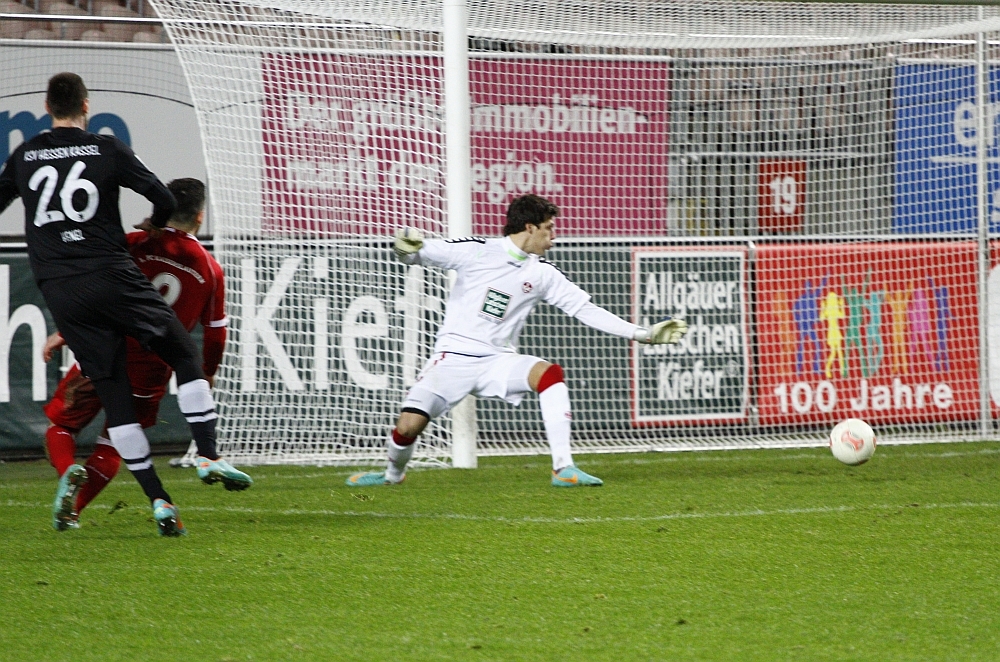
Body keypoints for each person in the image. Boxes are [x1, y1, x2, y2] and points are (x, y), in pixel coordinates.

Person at [0, 73, 246, 536]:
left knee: (114, 398)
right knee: (182, 353)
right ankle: (208, 455)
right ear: (86, 105)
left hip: (61, 288)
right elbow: (162, 197)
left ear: (46, 107)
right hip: (110, 273)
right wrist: (155, 223)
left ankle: (155, 499)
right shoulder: (107, 149)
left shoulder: (25, 155)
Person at [347, 194, 688, 488]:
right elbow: (419, 252)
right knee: (408, 427)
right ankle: (392, 475)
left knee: (549, 374)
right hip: (452, 359)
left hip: (497, 361)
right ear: (529, 227)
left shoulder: (542, 273)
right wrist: (405, 247)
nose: (553, 237)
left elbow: (585, 310)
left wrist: (642, 333)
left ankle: (563, 468)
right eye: (549, 228)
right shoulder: (477, 251)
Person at [40, 177, 250, 527]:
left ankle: (67, 472)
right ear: (200, 216)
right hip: (151, 372)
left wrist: (65, 331)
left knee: (60, 425)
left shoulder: (134, 243)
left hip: (106, 354)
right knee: (112, 443)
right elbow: (216, 332)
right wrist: (207, 371)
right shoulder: (211, 269)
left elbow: (94, 288)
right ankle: (75, 511)